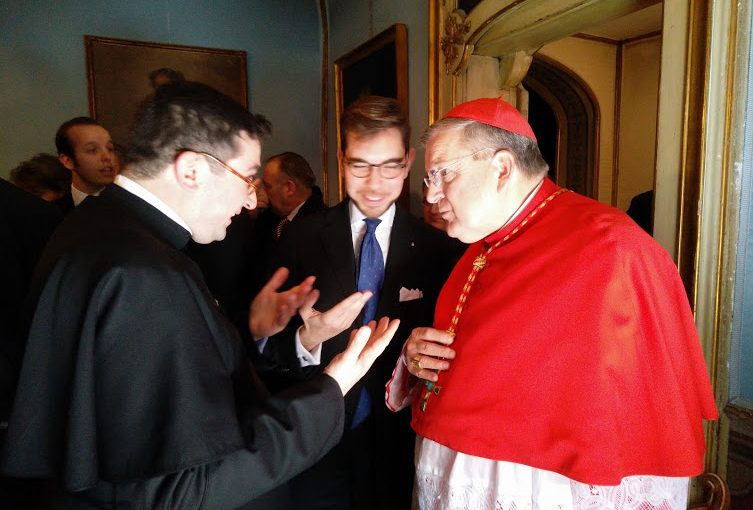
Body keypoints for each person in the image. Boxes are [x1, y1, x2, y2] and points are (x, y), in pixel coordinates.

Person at [0, 81, 399, 509]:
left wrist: (261, 334)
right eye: (246, 177)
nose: (251, 200)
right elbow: (176, 490)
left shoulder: (102, 226)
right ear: (191, 169)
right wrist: (332, 386)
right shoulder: (141, 273)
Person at [385, 96, 718, 509]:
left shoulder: (611, 247)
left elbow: (635, 423)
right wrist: (415, 359)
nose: (430, 196)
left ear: (502, 168)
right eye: (429, 178)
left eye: (442, 174)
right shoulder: (483, 244)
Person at [257, 96, 460, 510]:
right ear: (341, 160)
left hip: (403, 439)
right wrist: (303, 340)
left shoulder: (438, 248)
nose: (374, 184)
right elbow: (262, 352)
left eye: (388, 167)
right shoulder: (299, 238)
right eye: (359, 166)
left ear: (408, 163)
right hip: (317, 438)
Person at [54, 116, 119, 213]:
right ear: (67, 161)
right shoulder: (53, 214)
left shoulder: (132, 207)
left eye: (110, 148)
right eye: (92, 150)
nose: (107, 157)